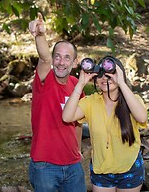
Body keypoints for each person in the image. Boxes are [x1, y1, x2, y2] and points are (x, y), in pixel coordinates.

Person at [62, 55, 147, 192]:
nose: (104, 79)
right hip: (101, 169)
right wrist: (80, 84)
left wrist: (122, 84)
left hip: (129, 167)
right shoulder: (91, 102)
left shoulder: (132, 100)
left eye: (110, 74)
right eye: (100, 75)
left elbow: (142, 118)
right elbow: (67, 117)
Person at [28, 13, 87, 192]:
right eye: (58, 57)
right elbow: (44, 58)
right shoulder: (45, 79)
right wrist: (40, 35)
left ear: (75, 63)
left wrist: (77, 151)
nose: (61, 62)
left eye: (67, 57)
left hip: (73, 165)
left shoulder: (77, 85)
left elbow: (78, 123)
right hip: (45, 165)